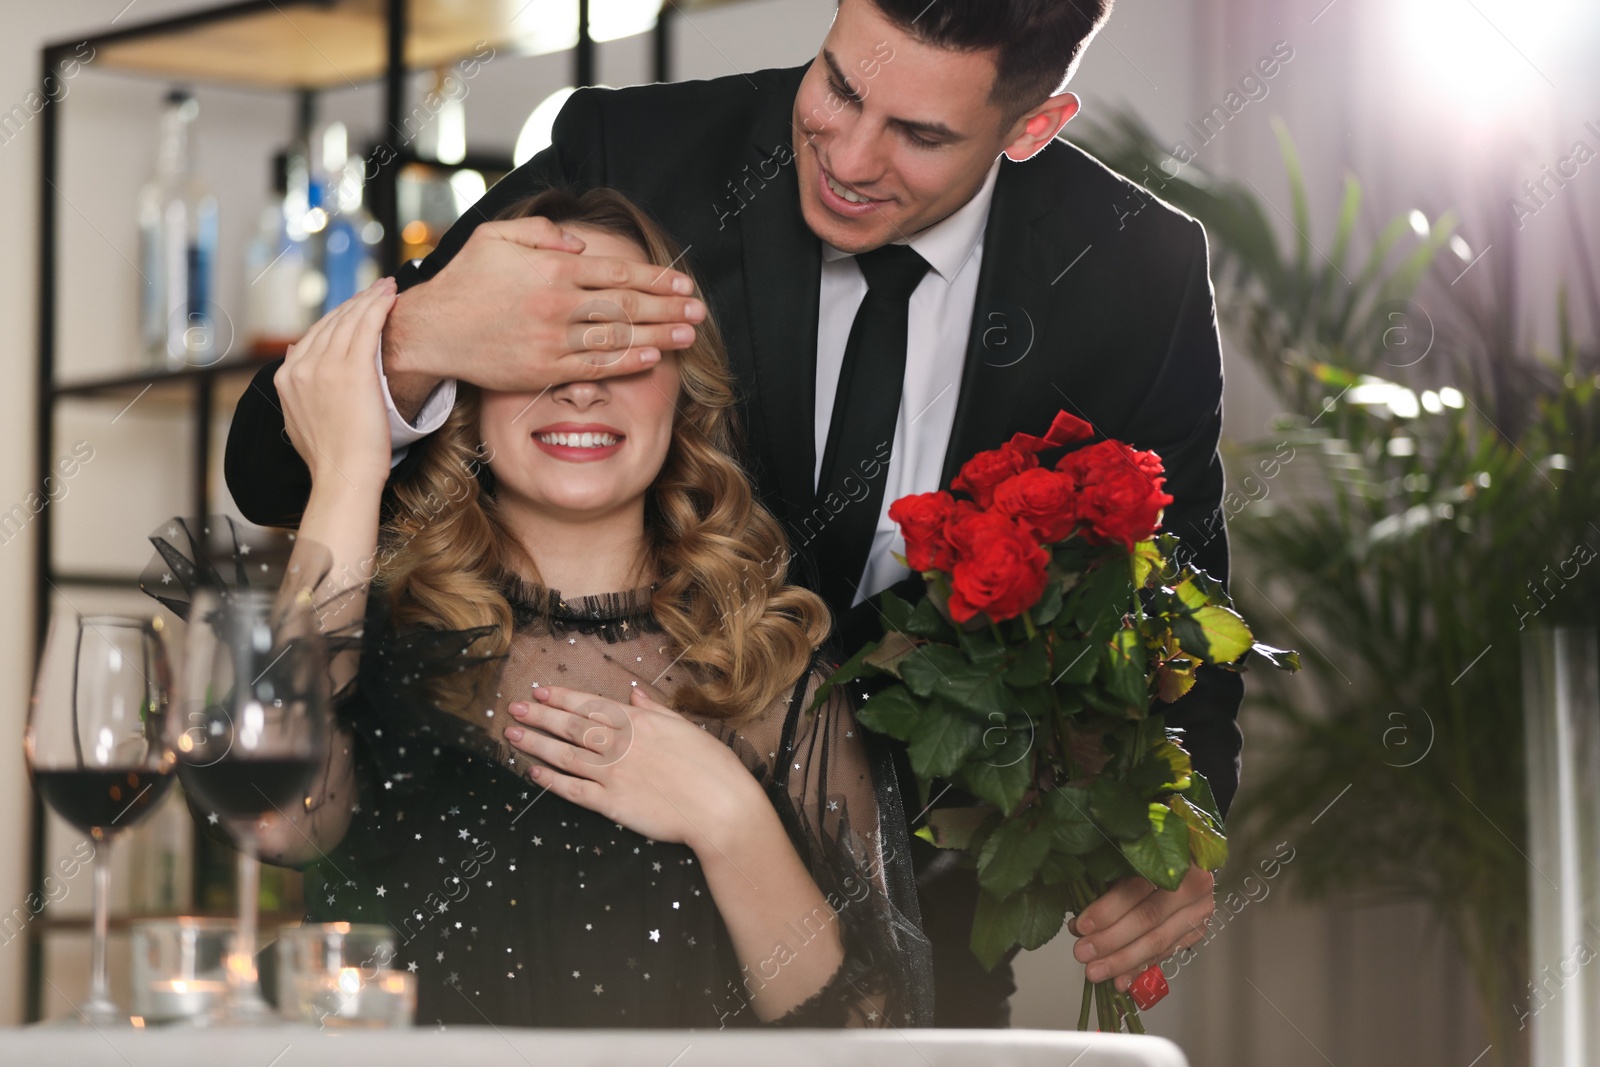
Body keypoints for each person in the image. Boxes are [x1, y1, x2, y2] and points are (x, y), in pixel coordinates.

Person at [227, 0, 1235, 1024]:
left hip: (933, 895)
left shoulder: (1133, 273)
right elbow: (269, 459)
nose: (846, 155)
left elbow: (1180, 603)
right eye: (838, 87)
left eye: (919, 135)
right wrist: (419, 331)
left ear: (1031, 127)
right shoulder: (637, 153)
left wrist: (1176, 832)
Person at [194, 187, 934, 1028]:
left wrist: (730, 819)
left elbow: (874, 1039)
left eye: (623, 341)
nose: (584, 386)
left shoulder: (779, 684)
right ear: (469, 390)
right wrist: (349, 471)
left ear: (683, 392)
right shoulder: (368, 645)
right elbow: (273, 817)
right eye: (547, 343)